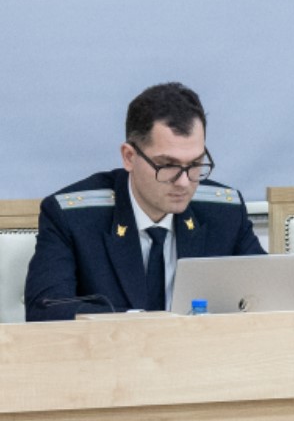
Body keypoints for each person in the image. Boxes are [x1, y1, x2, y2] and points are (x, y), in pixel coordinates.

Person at [24, 82, 264, 321]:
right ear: (129, 157)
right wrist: (138, 322)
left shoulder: (225, 213)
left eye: (195, 164)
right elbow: (45, 311)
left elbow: (268, 297)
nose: (183, 182)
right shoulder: (72, 217)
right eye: (168, 165)